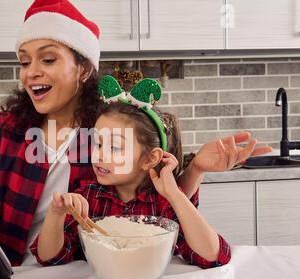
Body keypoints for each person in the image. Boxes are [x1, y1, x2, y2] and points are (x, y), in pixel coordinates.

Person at [0, 0, 271, 266]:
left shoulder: (110, 126)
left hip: (85, 271)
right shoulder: (4, 129)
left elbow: (153, 198)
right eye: (24, 61)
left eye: (47, 59)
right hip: (13, 270)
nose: (31, 71)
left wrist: (196, 169)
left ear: (83, 69)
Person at [32, 77, 230, 268]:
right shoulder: (89, 197)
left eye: (114, 148)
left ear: (149, 159)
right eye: (98, 144)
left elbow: (213, 256)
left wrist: (175, 195)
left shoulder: (165, 204)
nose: (99, 155)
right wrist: (56, 214)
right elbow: (49, 258)